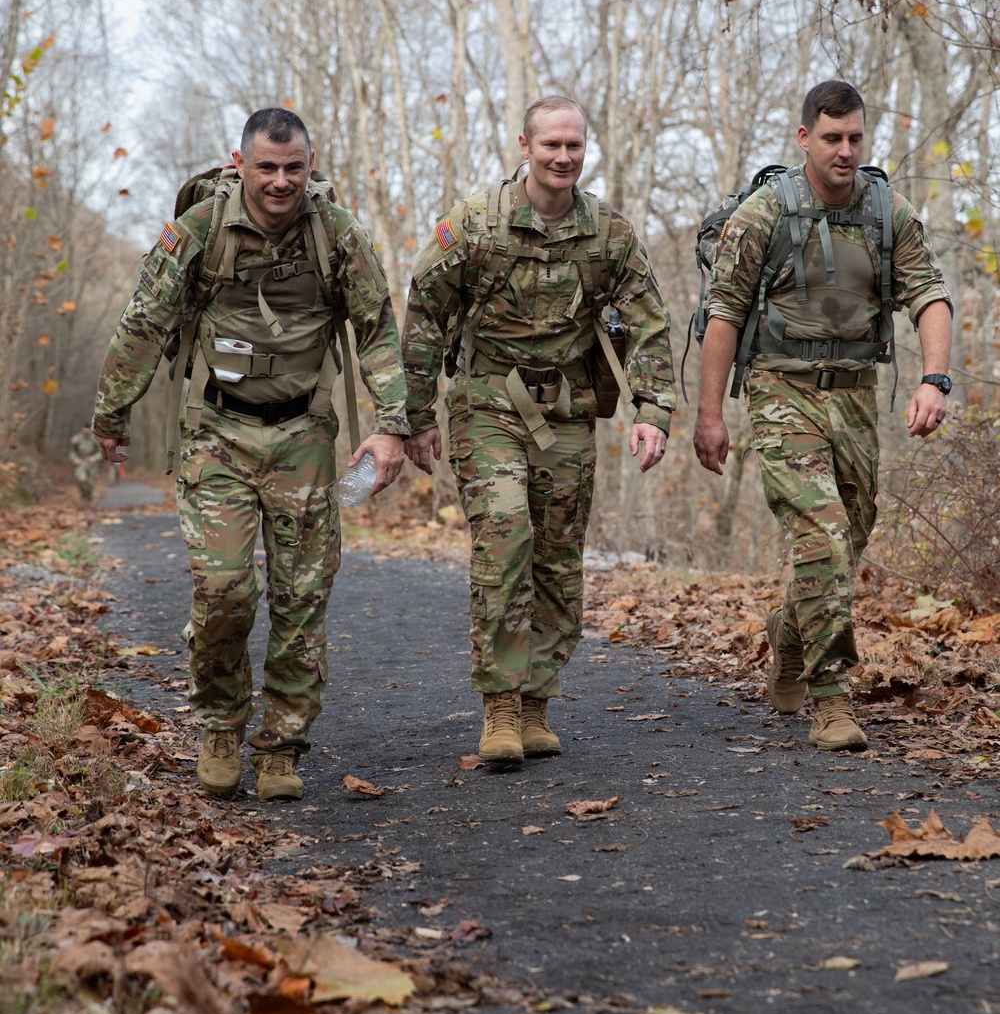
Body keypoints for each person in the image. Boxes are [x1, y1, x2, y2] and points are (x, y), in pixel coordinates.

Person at [91, 108, 408, 801]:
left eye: (294, 167)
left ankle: (281, 746)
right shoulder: (200, 231)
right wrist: (112, 412)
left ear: (311, 162)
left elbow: (377, 329)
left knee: (301, 596)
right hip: (218, 436)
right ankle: (221, 723)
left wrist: (393, 425)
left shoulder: (338, 233)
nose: (280, 181)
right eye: (266, 166)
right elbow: (145, 322)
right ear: (240, 164)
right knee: (224, 591)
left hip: (303, 438)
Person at [402, 95, 675, 762]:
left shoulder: (607, 233)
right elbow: (425, 311)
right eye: (550, 145)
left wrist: (653, 410)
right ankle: (498, 705)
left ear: (586, 150)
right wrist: (412, 416)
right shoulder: (476, 223)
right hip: (488, 404)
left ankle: (535, 703)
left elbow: (648, 321)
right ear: (524, 146)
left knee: (557, 560)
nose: (562, 157)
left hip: (566, 411)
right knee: (506, 540)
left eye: (573, 146)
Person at [693, 80, 953, 751]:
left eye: (855, 139)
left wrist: (934, 379)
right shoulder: (764, 215)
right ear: (805, 137)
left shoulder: (886, 210)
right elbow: (723, 313)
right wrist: (710, 415)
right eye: (832, 138)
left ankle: (790, 629)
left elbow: (930, 294)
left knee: (852, 533)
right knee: (824, 538)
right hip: (782, 391)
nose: (845, 151)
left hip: (855, 396)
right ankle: (832, 697)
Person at [69, 425, 102, 503]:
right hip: (81, 462)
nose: (86, 433)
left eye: (87, 431)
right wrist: (75, 459)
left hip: (92, 463)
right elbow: (72, 452)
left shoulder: (95, 439)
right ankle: (83, 497)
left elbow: (101, 451)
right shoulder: (77, 439)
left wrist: (95, 458)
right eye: (84, 431)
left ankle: (89, 498)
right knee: (82, 479)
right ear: (82, 430)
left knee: (91, 483)